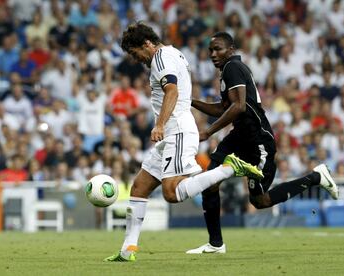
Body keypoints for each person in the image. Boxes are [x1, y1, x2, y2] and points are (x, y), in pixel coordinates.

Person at [104, 23, 263, 262]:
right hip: (173, 132)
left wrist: (159, 124)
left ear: (147, 44)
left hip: (176, 130)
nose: (136, 59)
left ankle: (230, 169)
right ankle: (128, 250)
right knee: (139, 187)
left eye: (136, 53)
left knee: (171, 193)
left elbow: (172, 92)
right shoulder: (174, 52)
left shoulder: (159, 58)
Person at [187, 32, 339, 254]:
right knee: (210, 182)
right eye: (210, 50)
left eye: (217, 48)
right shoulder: (228, 71)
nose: (213, 54)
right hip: (239, 136)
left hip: (257, 140)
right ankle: (215, 243)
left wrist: (208, 132)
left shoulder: (233, 67)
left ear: (231, 49)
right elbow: (223, 108)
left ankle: (316, 177)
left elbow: (238, 106)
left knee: (260, 201)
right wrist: (190, 102)